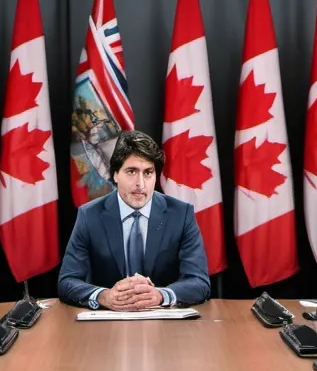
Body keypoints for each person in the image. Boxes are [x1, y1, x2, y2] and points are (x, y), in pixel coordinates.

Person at [58, 131, 211, 308]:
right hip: (108, 324)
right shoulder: (90, 215)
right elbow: (67, 281)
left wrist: (161, 295)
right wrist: (103, 296)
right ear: (115, 174)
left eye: (148, 173)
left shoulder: (181, 214)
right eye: (131, 172)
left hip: (165, 325)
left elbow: (199, 282)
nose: (140, 184)